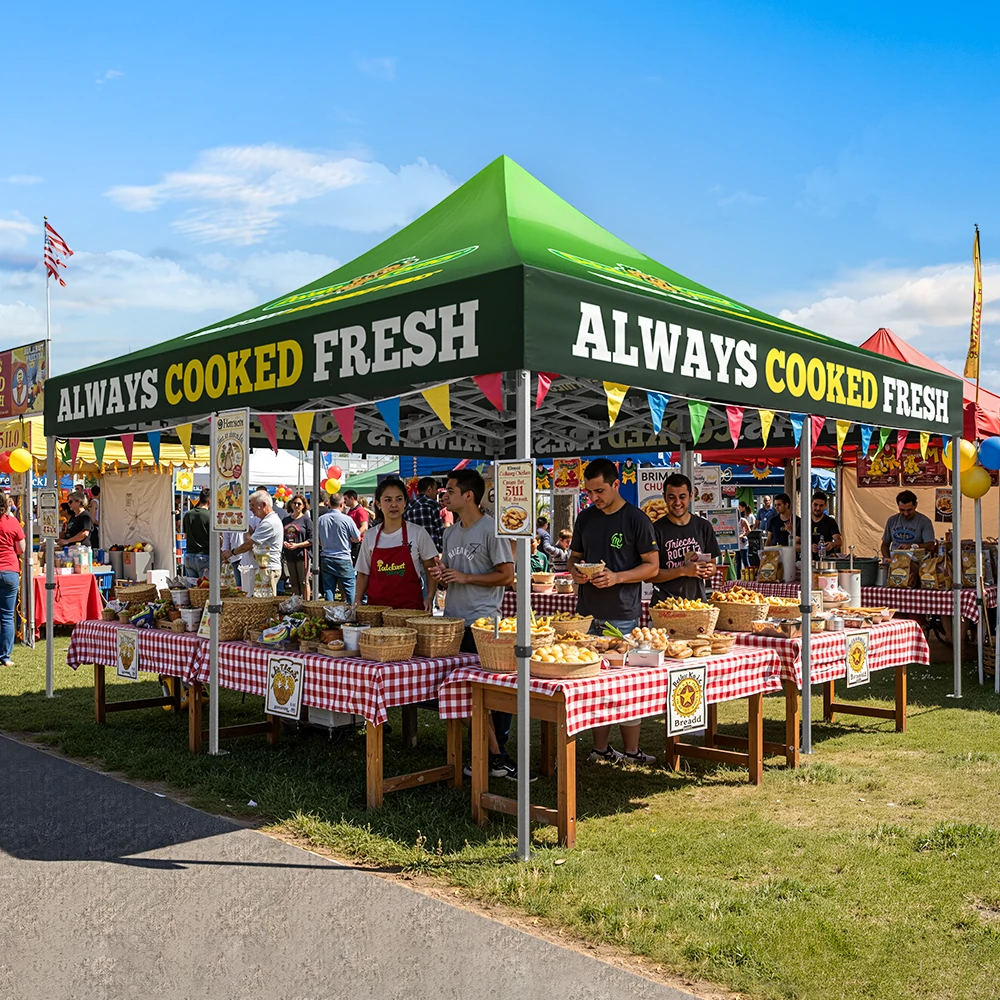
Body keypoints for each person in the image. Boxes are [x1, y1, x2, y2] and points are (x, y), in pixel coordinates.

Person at [568, 459, 659, 765]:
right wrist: (576, 573)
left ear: (616, 484)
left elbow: (653, 566)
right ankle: (600, 749)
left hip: (622, 612)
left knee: (624, 684)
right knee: (593, 684)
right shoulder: (585, 519)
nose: (594, 497)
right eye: (590, 491)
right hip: (587, 614)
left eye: (600, 490)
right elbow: (574, 558)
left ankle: (632, 751)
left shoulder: (636, 519)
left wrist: (617, 577)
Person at [430, 468, 517, 778]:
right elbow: (453, 576)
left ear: (468, 495)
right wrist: (442, 576)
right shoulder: (450, 532)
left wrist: (466, 577)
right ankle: (494, 755)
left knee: (491, 692)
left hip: (484, 623)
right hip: (454, 622)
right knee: (463, 690)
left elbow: (507, 576)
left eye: (450, 490)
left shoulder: (492, 529)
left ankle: (498, 754)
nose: (445, 495)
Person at [356, 478, 438, 610]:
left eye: (399, 499)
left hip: (410, 610)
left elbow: (431, 568)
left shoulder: (418, 533)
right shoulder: (370, 536)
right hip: (377, 610)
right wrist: (357, 599)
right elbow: (363, 573)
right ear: (378, 503)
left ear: (405, 502)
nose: (394, 504)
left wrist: (429, 597)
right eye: (388, 500)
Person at [651, 474, 721, 603]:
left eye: (682, 497)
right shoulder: (654, 530)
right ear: (664, 497)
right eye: (672, 497)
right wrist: (683, 571)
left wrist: (710, 570)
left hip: (697, 604)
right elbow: (650, 575)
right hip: (664, 606)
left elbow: (713, 564)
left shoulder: (703, 526)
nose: (677, 503)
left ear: (690, 496)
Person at [222, 491, 284, 596]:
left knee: (264, 604)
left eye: (253, 505)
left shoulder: (269, 522)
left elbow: (249, 544)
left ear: (263, 505)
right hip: (263, 569)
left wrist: (232, 552)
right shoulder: (266, 521)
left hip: (268, 569)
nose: (250, 509)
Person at [317, 494, 360, 602]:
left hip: (326, 557)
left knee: (329, 590)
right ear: (342, 504)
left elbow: (316, 539)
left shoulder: (321, 519)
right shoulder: (347, 519)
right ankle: (352, 611)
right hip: (343, 557)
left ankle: (330, 613)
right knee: (350, 588)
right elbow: (357, 537)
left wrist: (326, 544)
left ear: (329, 504)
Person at [0, 492, 25, 667]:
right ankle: (5, 656)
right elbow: (21, 548)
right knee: (7, 616)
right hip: (9, 570)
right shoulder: (12, 522)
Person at [880, 490, 936, 557]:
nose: (906, 514)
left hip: (917, 562)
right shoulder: (892, 520)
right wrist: (887, 559)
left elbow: (930, 545)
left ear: (916, 505)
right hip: (895, 561)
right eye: (902, 510)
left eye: (909, 510)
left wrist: (912, 546)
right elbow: (885, 545)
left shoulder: (924, 522)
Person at [403, 476, 445, 553]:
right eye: (436, 489)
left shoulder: (409, 506)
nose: (437, 492)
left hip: (414, 549)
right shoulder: (433, 504)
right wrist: (441, 549)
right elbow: (439, 529)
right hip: (432, 549)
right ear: (429, 489)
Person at [282, 494, 313, 597]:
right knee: (293, 582)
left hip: (302, 555)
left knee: (304, 582)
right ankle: (296, 603)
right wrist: (284, 542)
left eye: (299, 504)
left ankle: (306, 603)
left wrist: (298, 545)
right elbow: (281, 535)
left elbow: (312, 539)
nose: (296, 505)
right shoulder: (286, 520)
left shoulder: (306, 520)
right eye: (294, 503)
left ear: (303, 506)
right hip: (289, 555)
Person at [181, 488, 211, 578]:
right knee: (205, 590)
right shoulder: (210, 516)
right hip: (204, 556)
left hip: (189, 556)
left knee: (192, 590)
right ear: (209, 501)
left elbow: (185, 536)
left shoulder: (188, 514)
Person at [809, 492, 842, 557]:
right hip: (807, 562)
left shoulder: (830, 522)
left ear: (825, 506)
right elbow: (795, 545)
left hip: (826, 561)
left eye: (821, 505)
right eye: (815, 505)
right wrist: (808, 547)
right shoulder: (804, 522)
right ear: (811, 504)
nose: (818, 508)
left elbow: (839, 542)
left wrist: (833, 544)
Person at [343, 489, 369, 562]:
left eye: (346, 499)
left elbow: (364, 527)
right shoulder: (350, 511)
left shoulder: (360, 511)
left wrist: (356, 536)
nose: (344, 501)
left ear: (352, 498)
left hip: (358, 544)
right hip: (352, 543)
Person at [736, 501, 752, 573]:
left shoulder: (743, 520)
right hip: (736, 544)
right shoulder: (733, 521)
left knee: (745, 560)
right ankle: (738, 577)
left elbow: (749, 530)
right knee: (737, 562)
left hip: (743, 543)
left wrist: (742, 535)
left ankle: (749, 574)